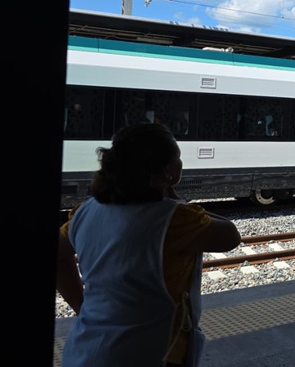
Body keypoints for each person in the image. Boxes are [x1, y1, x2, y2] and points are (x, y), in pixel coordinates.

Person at [56, 123, 241, 367]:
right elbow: (231, 236)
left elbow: (59, 254)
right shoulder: (176, 219)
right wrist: (174, 197)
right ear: (167, 170)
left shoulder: (84, 212)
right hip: (149, 354)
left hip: (84, 350)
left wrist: (80, 304)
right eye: (177, 157)